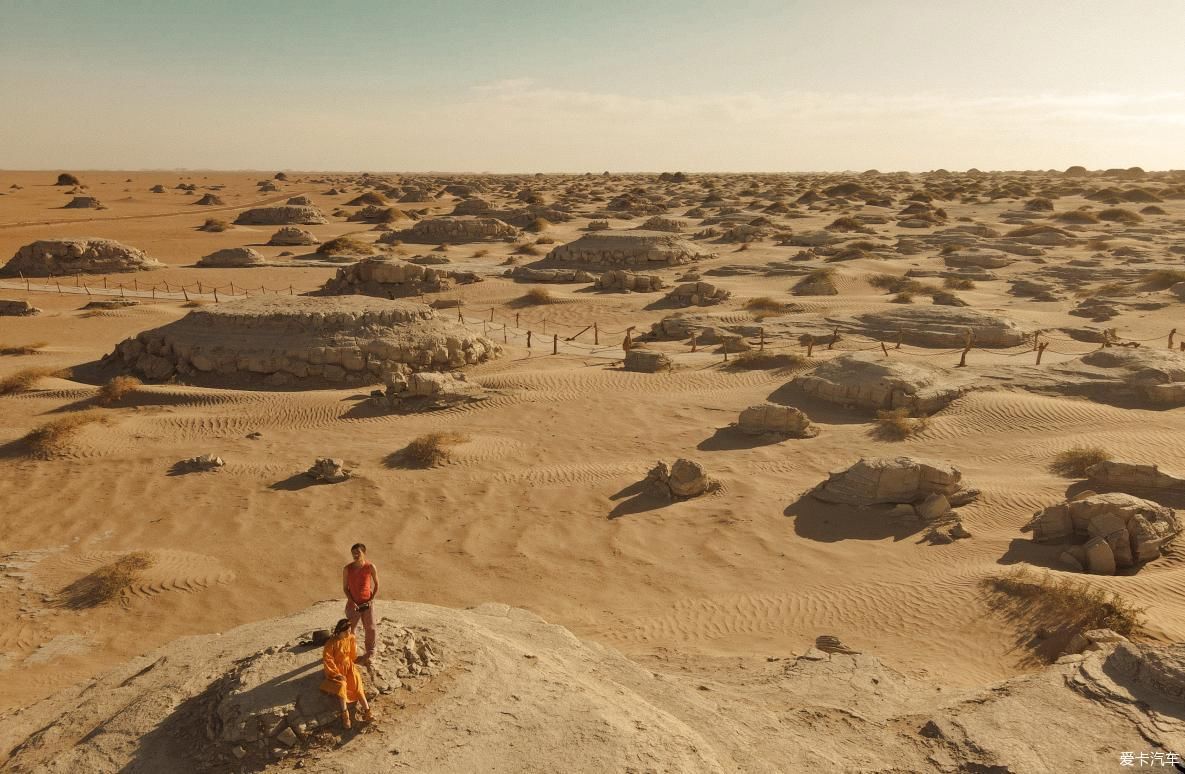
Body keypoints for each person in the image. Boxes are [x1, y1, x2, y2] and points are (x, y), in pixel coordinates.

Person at [319, 618, 375, 729]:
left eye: (349, 631)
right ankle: (345, 716)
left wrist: (359, 661)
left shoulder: (351, 638)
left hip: (349, 666)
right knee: (342, 686)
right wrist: (337, 674)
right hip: (335, 670)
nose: (349, 633)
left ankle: (367, 712)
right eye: (346, 631)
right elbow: (328, 660)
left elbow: (353, 656)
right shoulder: (331, 643)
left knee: (358, 685)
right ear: (339, 631)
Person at [343, 543, 379, 663]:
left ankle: (371, 652)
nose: (355, 555)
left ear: (364, 553)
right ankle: (350, 653)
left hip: (367, 604)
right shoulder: (347, 569)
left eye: (358, 552)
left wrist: (371, 599)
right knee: (350, 630)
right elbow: (345, 588)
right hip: (353, 605)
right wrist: (351, 601)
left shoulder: (370, 567)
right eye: (353, 553)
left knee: (371, 628)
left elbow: (376, 584)